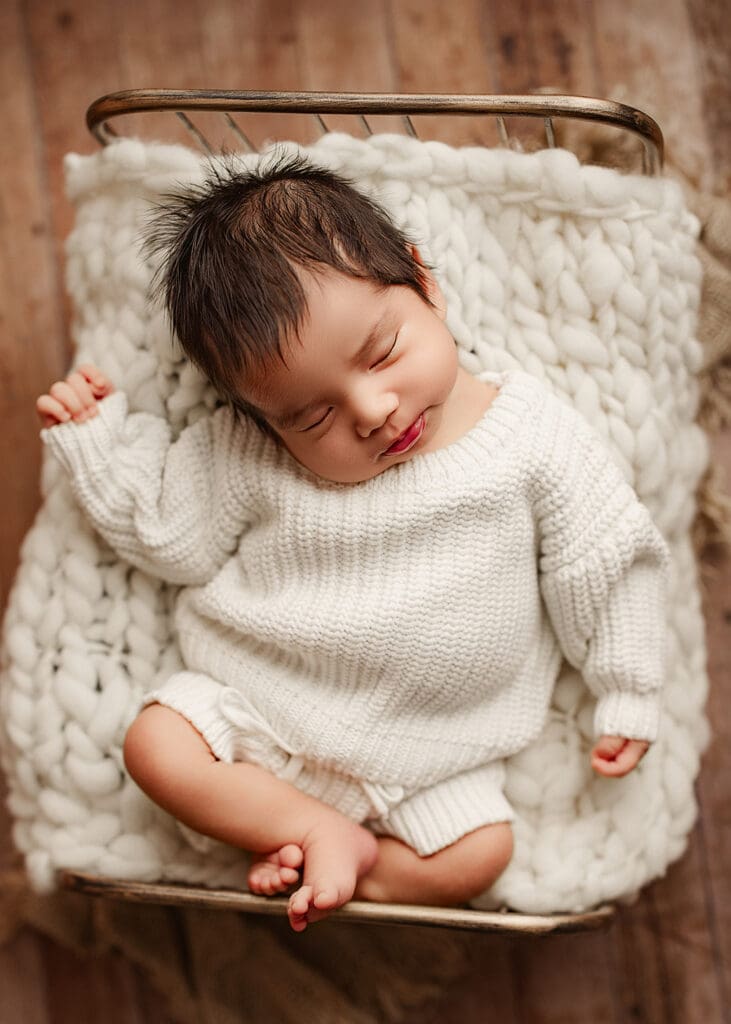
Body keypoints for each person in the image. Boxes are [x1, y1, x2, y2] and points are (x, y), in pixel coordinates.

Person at [36, 154, 668, 932]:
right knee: (155, 747)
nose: (371, 410)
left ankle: (344, 865)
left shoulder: (530, 433)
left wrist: (626, 685)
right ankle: (307, 828)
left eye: (382, 353)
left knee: (480, 853)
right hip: (263, 707)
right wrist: (97, 443)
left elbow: (603, 555)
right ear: (264, 419)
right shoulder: (248, 452)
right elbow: (172, 537)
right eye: (313, 416)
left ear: (424, 283)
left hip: (435, 750)